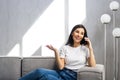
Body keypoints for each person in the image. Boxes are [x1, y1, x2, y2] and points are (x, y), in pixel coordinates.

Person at [19, 24, 96, 80]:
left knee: (46, 78)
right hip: (62, 72)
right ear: (72, 33)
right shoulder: (65, 48)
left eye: (82, 33)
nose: (79, 35)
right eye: (77, 32)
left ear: (83, 36)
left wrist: (90, 48)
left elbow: (92, 65)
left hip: (72, 77)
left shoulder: (85, 49)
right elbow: (61, 67)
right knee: (39, 71)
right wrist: (56, 51)